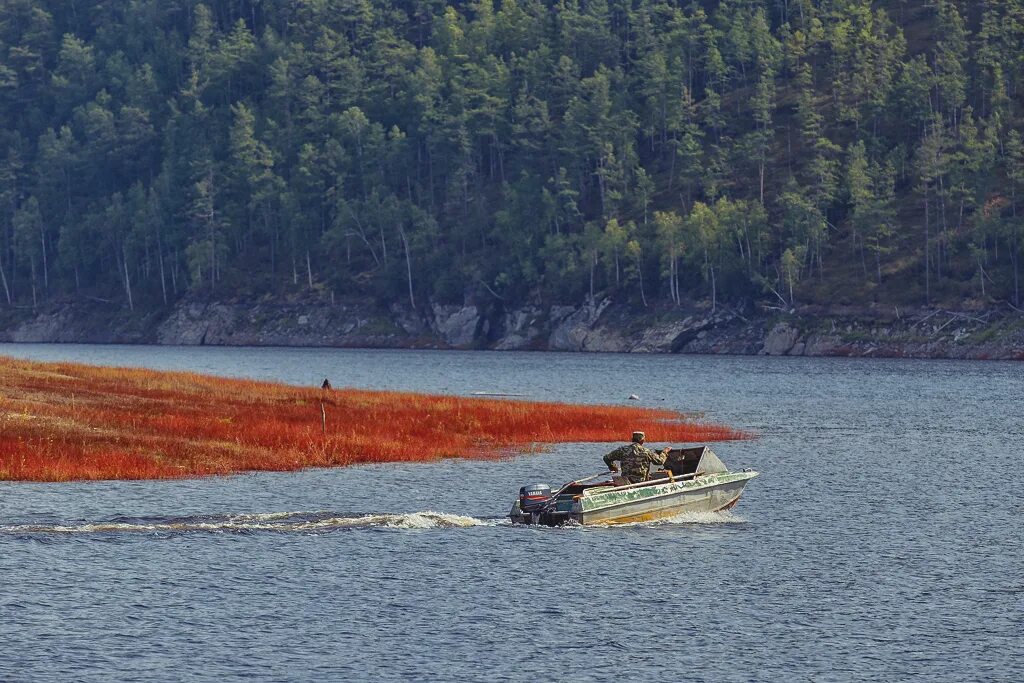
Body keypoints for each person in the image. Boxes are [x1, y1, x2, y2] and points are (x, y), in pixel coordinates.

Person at [603, 431, 670, 484]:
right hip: (641, 483)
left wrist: (612, 466)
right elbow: (660, 461)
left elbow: (606, 458)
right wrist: (664, 452)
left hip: (625, 482)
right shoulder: (646, 452)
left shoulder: (622, 450)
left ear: (632, 439)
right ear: (642, 441)